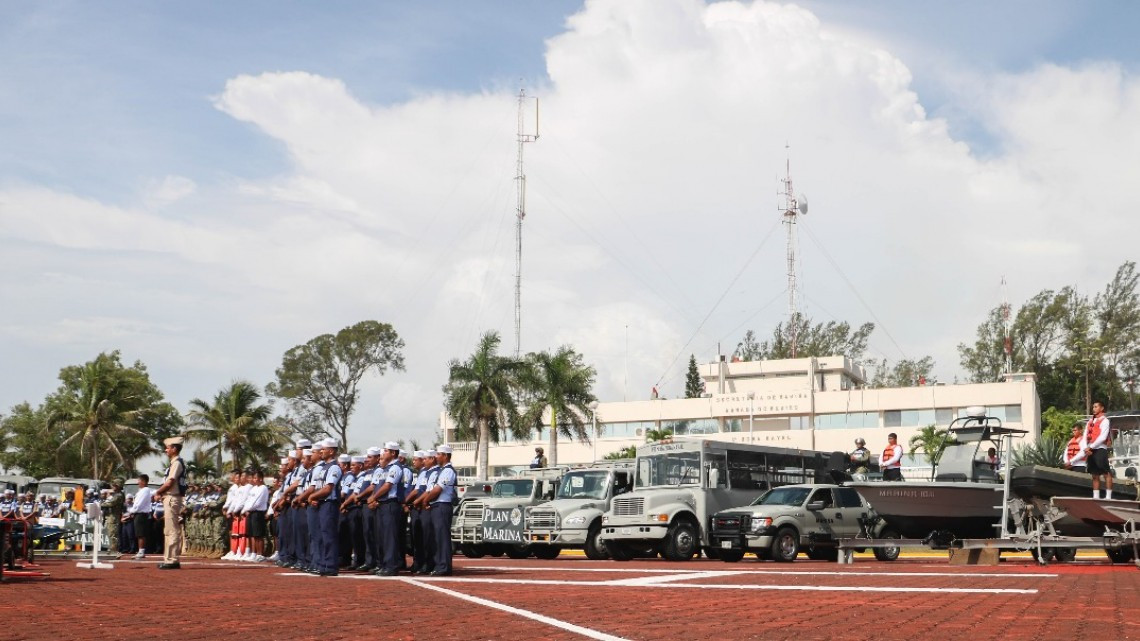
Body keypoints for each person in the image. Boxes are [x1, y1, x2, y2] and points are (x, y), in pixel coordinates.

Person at [367, 442, 404, 576]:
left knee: (389, 537)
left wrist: (373, 497)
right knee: (381, 536)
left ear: (393, 453)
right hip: (381, 504)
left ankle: (391, 566)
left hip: (390, 504)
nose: (383, 453)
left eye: (386, 451)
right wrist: (374, 499)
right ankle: (383, 564)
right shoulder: (384, 469)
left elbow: (388, 486)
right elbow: (376, 486)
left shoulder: (395, 467)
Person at [419, 444, 457, 576]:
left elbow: (438, 489)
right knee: (437, 537)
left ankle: (444, 566)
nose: (436, 457)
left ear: (445, 456)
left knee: (442, 537)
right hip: (437, 505)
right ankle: (439, 564)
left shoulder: (448, 471)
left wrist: (425, 500)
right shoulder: (441, 471)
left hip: (442, 505)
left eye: (439, 454)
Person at [153, 436, 188, 569]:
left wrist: (158, 492)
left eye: (168, 448)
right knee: (168, 530)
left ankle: (172, 559)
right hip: (170, 497)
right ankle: (169, 558)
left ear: (174, 448)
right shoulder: (174, 462)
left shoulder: (177, 463)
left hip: (172, 497)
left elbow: (170, 482)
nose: (166, 450)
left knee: (172, 530)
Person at [1083, 401, 1113, 499]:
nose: (1094, 409)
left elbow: (1102, 437)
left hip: (1100, 448)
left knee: (1106, 473)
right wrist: (1085, 448)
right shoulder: (1090, 421)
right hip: (1090, 450)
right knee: (1094, 475)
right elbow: (1085, 435)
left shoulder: (1105, 421)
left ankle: (1108, 497)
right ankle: (1096, 497)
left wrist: (1091, 447)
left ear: (1102, 408)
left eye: (1096, 407)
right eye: (1093, 407)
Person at [242, 469, 270, 562]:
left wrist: (248, 509)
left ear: (261, 478)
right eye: (253, 478)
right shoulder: (254, 489)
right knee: (253, 534)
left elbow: (257, 502)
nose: (254, 480)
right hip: (251, 513)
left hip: (258, 513)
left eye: (255, 478)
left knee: (259, 535)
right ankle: (257, 553)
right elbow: (248, 500)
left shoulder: (263, 488)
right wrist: (245, 510)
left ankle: (261, 554)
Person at [128, 474, 155, 560]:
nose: (138, 483)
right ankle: (140, 551)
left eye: (139, 481)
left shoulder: (145, 490)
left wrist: (132, 511)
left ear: (143, 481)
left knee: (141, 533)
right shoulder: (142, 491)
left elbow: (139, 504)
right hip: (138, 513)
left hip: (141, 514)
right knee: (139, 533)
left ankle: (141, 551)